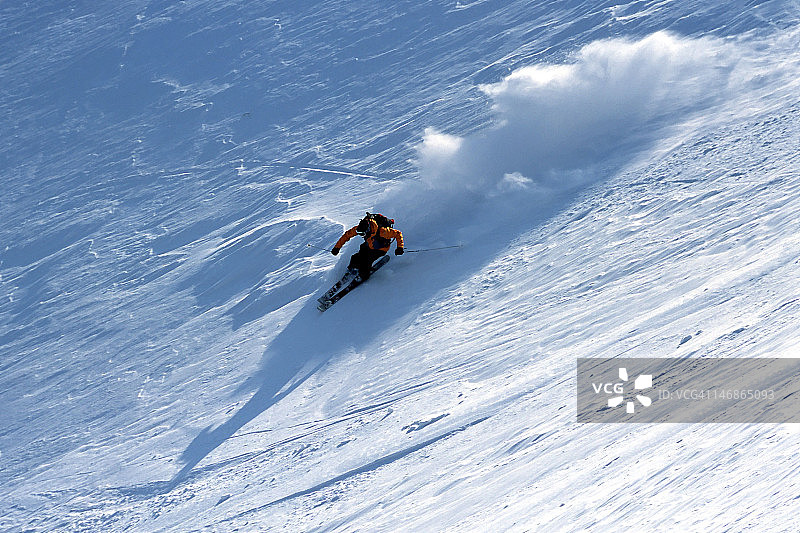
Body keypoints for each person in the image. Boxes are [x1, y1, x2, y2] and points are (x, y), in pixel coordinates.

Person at [331, 213, 404, 281]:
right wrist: (337, 248)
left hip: (380, 249)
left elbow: (398, 234)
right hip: (369, 245)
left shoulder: (382, 231)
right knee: (355, 258)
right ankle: (352, 270)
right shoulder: (361, 228)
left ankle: (364, 275)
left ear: (368, 230)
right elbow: (347, 235)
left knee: (366, 262)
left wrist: (400, 247)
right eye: (359, 233)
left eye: (362, 234)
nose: (361, 235)